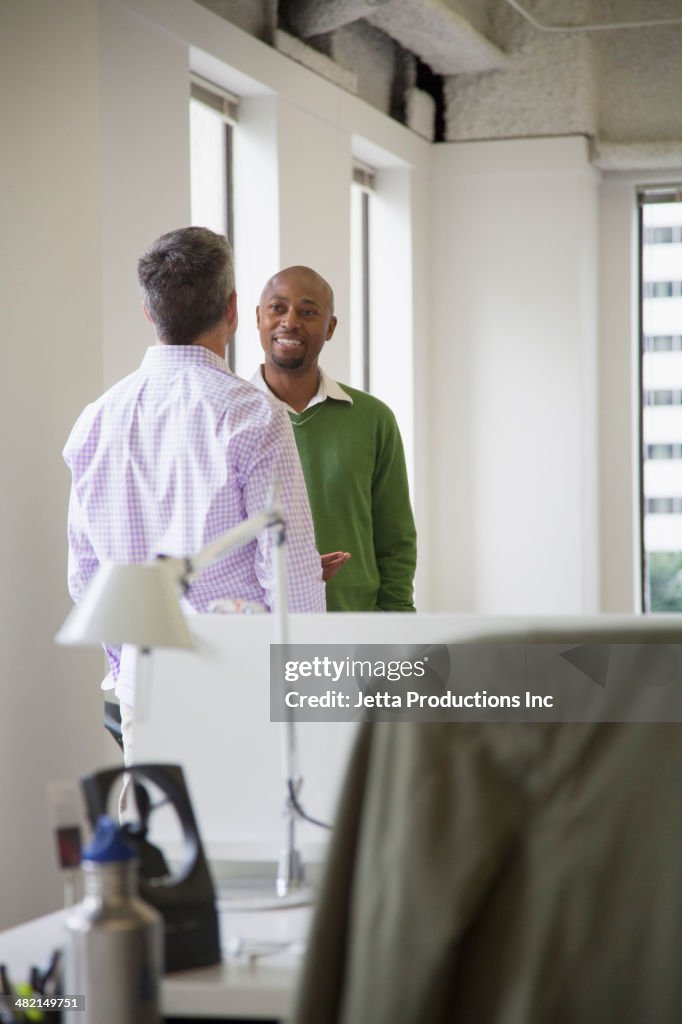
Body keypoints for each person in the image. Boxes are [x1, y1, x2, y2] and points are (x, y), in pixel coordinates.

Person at [63, 228, 325, 761]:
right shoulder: (256, 416)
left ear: (148, 311)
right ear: (233, 310)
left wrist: (125, 670)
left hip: (145, 688)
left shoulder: (96, 420)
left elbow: (86, 579)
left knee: (155, 834)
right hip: (240, 687)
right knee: (247, 840)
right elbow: (293, 580)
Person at [251, 265, 416, 611]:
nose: (290, 321)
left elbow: (396, 540)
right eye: (277, 308)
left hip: (357, 630)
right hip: (257, 629)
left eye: (308, 312)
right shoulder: (229, 417)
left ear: (331, 327)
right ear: (258, 318)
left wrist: (396, 624)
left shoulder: (373, 419)